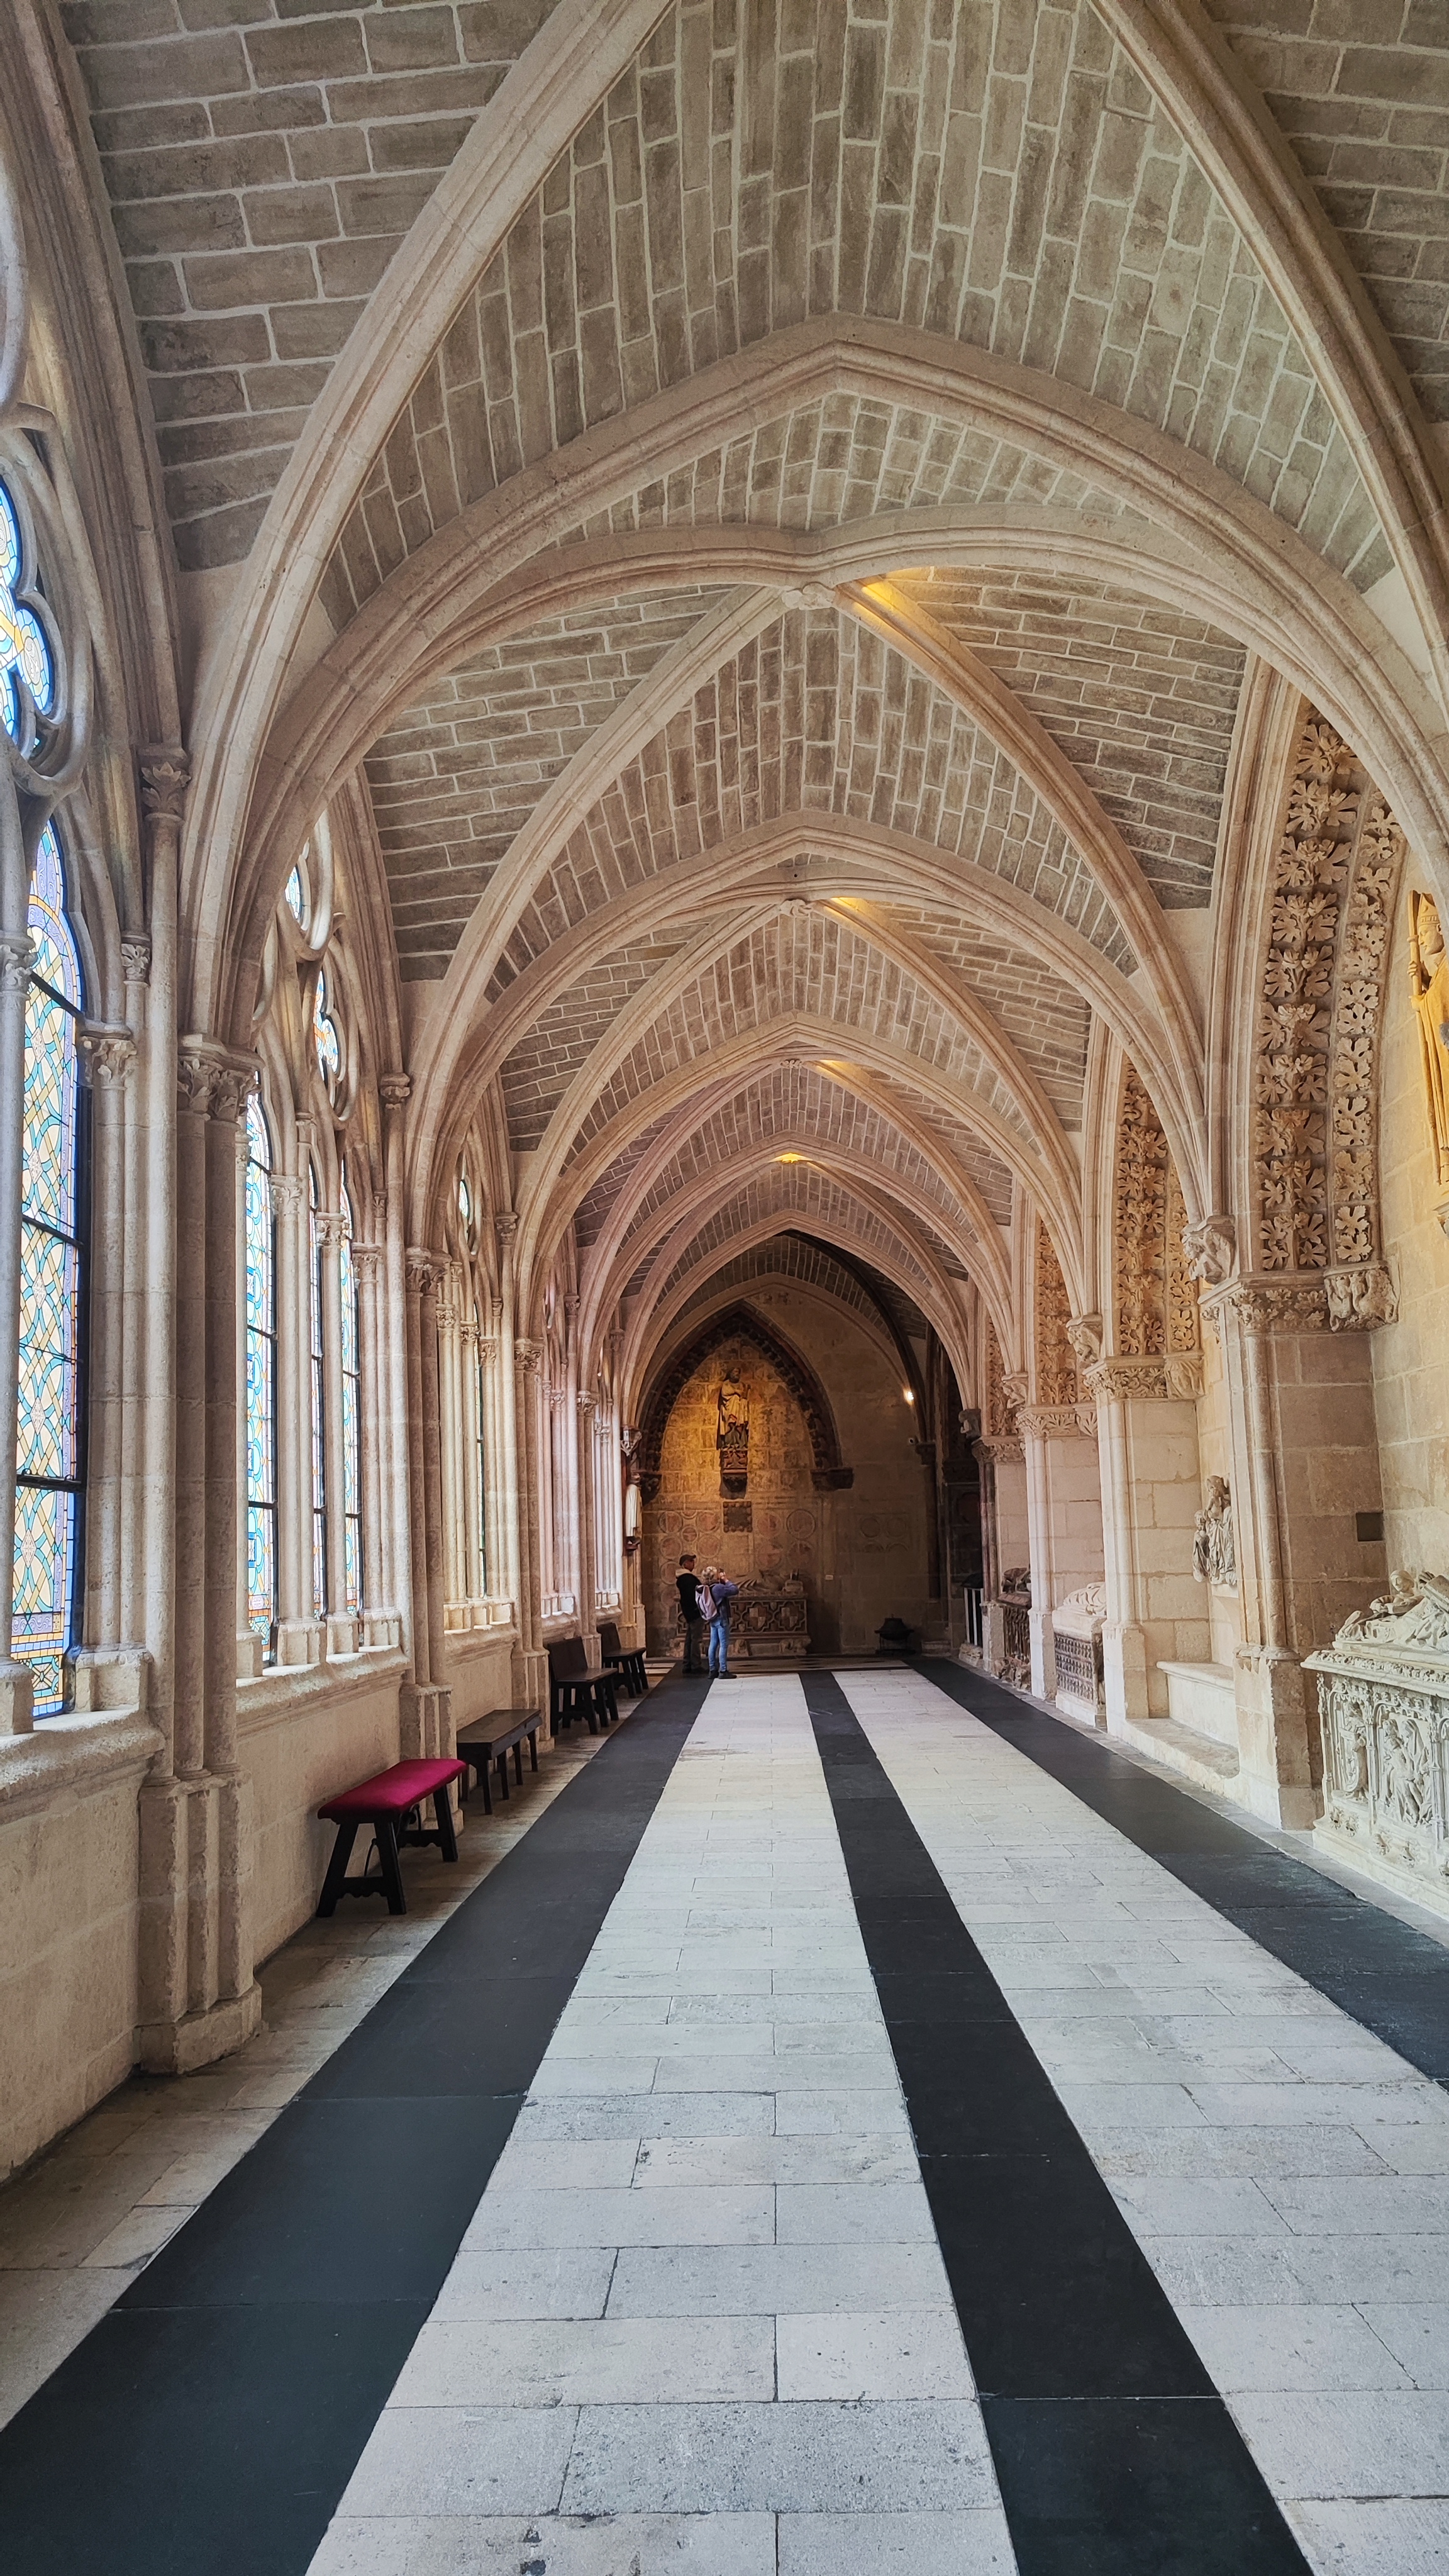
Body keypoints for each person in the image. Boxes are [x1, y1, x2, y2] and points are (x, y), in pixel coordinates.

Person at [699, 1564, 740, 1678]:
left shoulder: (707, 1587)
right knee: (723, 1644)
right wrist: (726, 1580)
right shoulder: (718, 1588)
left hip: (713, 1618)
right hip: (721, 1618)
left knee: (713, 1643)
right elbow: (734, 1590)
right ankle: (723, 1670)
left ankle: (712, 1670)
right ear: (714, 1576)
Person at [675, 1553, 705, 1674]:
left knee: (689, 1639)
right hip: (694, 1611)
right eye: (691, 1562)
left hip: (689, 1611)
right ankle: (696, 1665)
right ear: (686, 1564)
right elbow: (693, 1595)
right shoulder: (688, 1579)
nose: (694, 1564)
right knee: (696, 1639)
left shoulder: (684, 1578)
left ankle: (687, 1663)